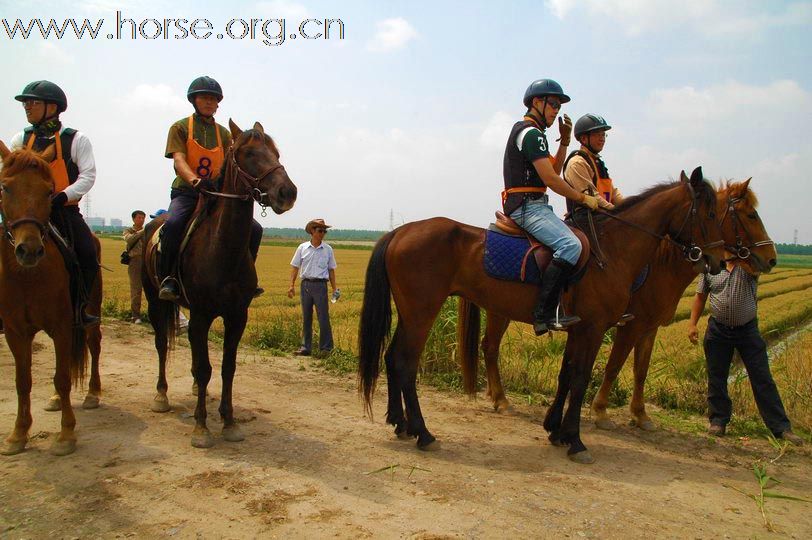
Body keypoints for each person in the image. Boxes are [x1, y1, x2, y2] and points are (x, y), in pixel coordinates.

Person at [502, 79, 600, 335]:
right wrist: (582, 199)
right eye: (553, 104)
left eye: (558, 106)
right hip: (527, 207)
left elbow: (552, 170)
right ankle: (544, 314)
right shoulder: (531, 133)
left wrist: (565, 142)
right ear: (537, 102)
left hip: (536, 205)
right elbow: (552, 180)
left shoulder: (536, 134)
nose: (556, 110)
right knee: (571, 245)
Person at [158, 75, 264, 301]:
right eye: (204, 98)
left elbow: (231, 165)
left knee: (254, 229)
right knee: (174, 223)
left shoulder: (224, 134)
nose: (209, 102)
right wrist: (195, 181)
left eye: (214, 99)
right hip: (187, 192)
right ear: (194, 100)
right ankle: (169, 278)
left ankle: (246, 278)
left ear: (218, 104)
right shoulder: (179, 128)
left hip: (216, 195)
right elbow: (179, 160)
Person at [10, 80, 99, 327]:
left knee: (88, 253)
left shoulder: (76, 139)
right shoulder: (20, 139)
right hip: (26, 213)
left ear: (53, 107)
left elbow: (88, 175)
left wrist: (63, 196)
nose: (27, 107)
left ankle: (80, 307)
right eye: (25, 103)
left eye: (33, 102)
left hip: (63, 211)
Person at [688, 254, 803, 445]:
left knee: (762, 378)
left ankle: (781, 428)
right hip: (718, 329)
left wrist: (741, 256)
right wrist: (692, 324)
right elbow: (700, 296)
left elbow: (761, 267)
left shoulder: (750, 265)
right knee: (716, 377)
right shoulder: (711, 266)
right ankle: (718, 421)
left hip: (747, 330)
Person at [287, 219, 338, 356]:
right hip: (306, 285)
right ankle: (305, 348)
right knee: (306, 317)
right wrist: (291, 285)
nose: (322, 233)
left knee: (323, 317)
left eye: (324, 231)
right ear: (312, 231)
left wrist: (334, 289)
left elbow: (331, 270)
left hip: (321, 285)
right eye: (320, 230)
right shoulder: (302, 248)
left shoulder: (328, 250)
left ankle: (326, 348)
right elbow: (295, 267)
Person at [563, 114, 622, 212]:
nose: (602, 138)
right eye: (597, 134)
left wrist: (631, 207)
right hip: (585, 219)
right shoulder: (577, 163)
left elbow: (614, 193)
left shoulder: (597, 162)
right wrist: (617, 212)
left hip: (604, 216)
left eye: (603, 134)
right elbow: (593, 198)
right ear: (584, 139)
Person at [123, 210, 146, 323]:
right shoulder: (128, 231)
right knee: (136, 289)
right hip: (135, 261)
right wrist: (143, 231)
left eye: (143, 218)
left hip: (146, 260)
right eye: (139, 218)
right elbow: (130, 239)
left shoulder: (147, 231)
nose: (141, 220)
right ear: (133, 219)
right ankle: (135, 316)